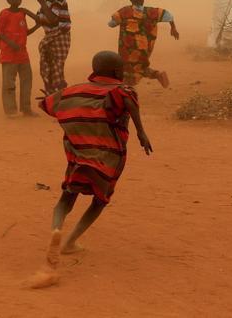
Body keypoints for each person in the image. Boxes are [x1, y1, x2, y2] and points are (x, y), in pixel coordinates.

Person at [30, 51, 153, 288]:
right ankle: (70, 241)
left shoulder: (72, 91)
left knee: (66, 198)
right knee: (100, 199)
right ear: (117, 72)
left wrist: (55, 97)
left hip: (78, 155)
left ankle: (56, 230)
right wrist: (141, 132)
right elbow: (127, 98)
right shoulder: (121, 89)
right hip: (108, 157)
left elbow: (47, 104)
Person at [109, 0, 180, 87]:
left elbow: (111, 24)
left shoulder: (125, 11)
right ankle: (157, 75)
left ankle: (126, 91)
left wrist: (117, 21)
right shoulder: (150, 12)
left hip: (127, 49)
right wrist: (173, 28)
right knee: (141, 67)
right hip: (143, 48)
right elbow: (169, 15)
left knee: (127, 70)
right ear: (143, 0)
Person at [0, 0, 40, 117]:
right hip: (9, 55)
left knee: (27, 81)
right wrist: (11, 43)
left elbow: (26, 32)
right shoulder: (4, 13)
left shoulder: (22, 13)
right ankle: (10, 110)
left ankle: (26, 108)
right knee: (9, 83)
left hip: (22, 54)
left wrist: (37, 24)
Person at [34, 0, 71, 94]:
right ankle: (51, 94)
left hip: (60, 37)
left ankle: (60, 94)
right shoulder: (48, 0)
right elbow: (40, 20)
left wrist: (41, 2)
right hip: (50, 37)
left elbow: (53, 20)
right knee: (47, 65)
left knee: (57, 67)